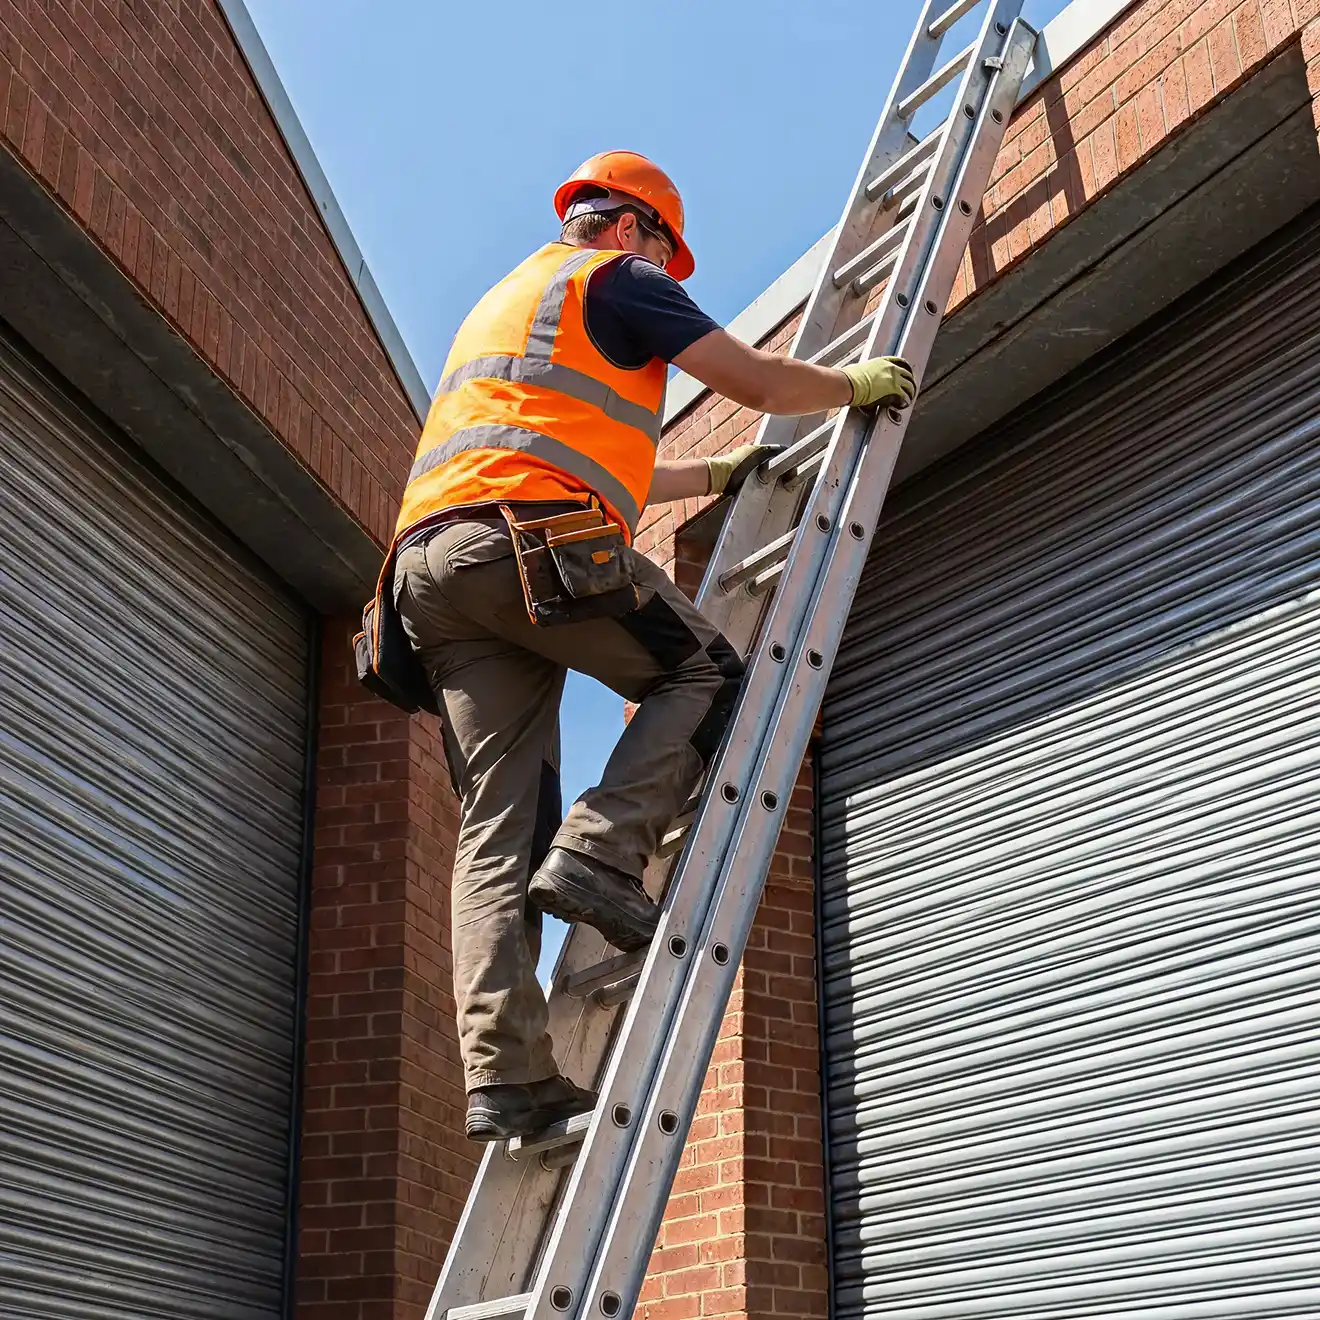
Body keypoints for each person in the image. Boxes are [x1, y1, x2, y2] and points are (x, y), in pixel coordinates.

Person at [387, 150, 917, 1140]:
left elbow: (577, 456)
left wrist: (713, 475)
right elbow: (752, 378)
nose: (673, 282)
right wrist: (850, 384)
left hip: (431, 576)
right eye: (672, 259)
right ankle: (598, 856)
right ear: (631, 229)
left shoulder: (512, 303)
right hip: (527, 541)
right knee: (707, 671)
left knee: (495, 828)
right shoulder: (616, 280)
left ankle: (504, 1075)